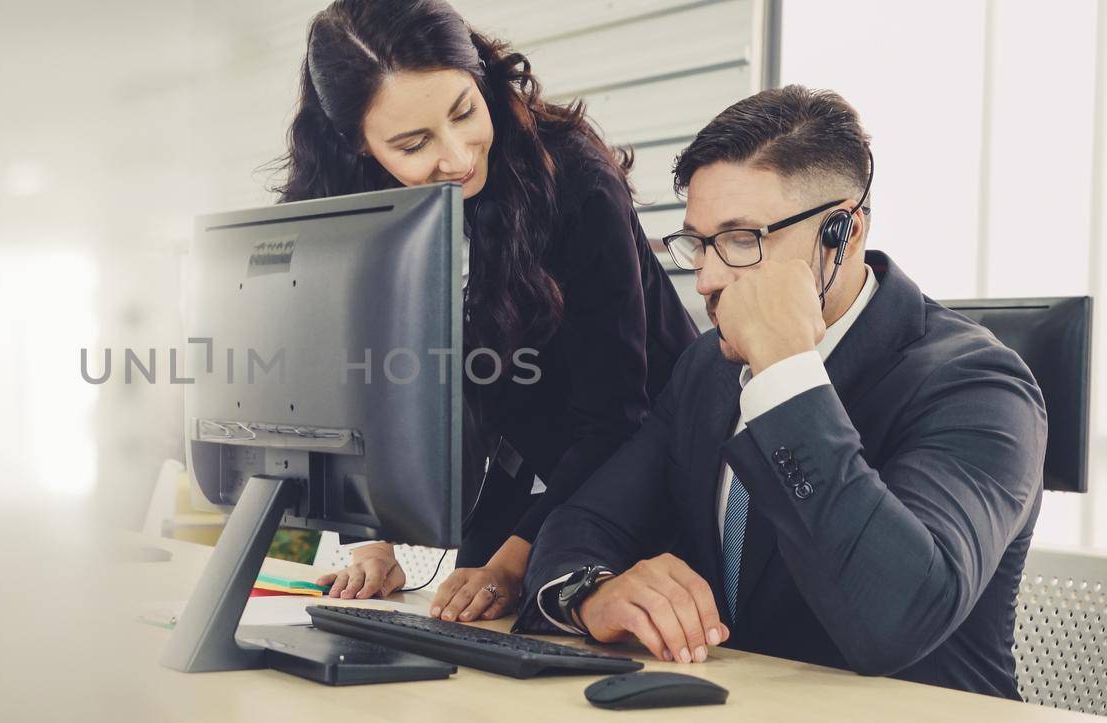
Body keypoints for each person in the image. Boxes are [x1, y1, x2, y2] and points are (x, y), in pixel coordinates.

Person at [519, 85, 1047, 699]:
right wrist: (594, 595)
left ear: (841, 234)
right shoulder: (706, 368)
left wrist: (786, 374)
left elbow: (893, 623)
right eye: (699, 243)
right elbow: (582, 522)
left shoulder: (979, 386)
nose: (709, 279)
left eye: (744, 240)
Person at [275, 0, 698, 623]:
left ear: (479, 76)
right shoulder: (351, 215)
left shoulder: (573, 178)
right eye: (414, 143)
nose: (458, 156)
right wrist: (380, 537)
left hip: (644, 470)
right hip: (526, 468)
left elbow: (616, 417)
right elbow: (373, 384)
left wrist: (511, 562)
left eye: (464, 111)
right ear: (358, 147)